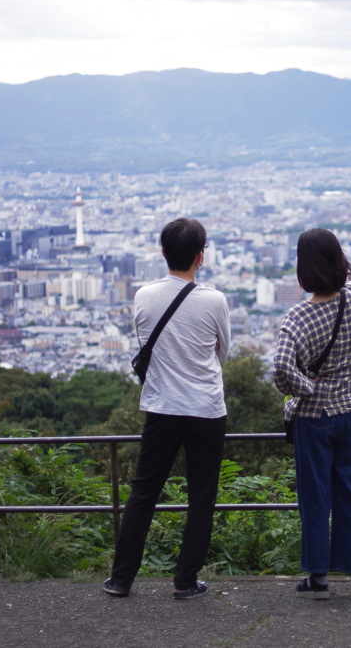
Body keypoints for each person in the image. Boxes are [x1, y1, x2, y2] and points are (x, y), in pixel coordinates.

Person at [103, 218, 231, 600]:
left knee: (144, 493)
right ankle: (185, 581)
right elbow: (223, 353)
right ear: (200, 256)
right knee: (201, 497)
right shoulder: (214, 300)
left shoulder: (144, 295)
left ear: (163, 253)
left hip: (162, 406)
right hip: (206, 408)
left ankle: (122, 579)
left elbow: (147, 343)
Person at [273, 228, 351, 601]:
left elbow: (282, 368)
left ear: (303, 267)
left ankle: (318, 578)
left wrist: (308, 387)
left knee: (315, 496)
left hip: (315, 418)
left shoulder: (299, 317)